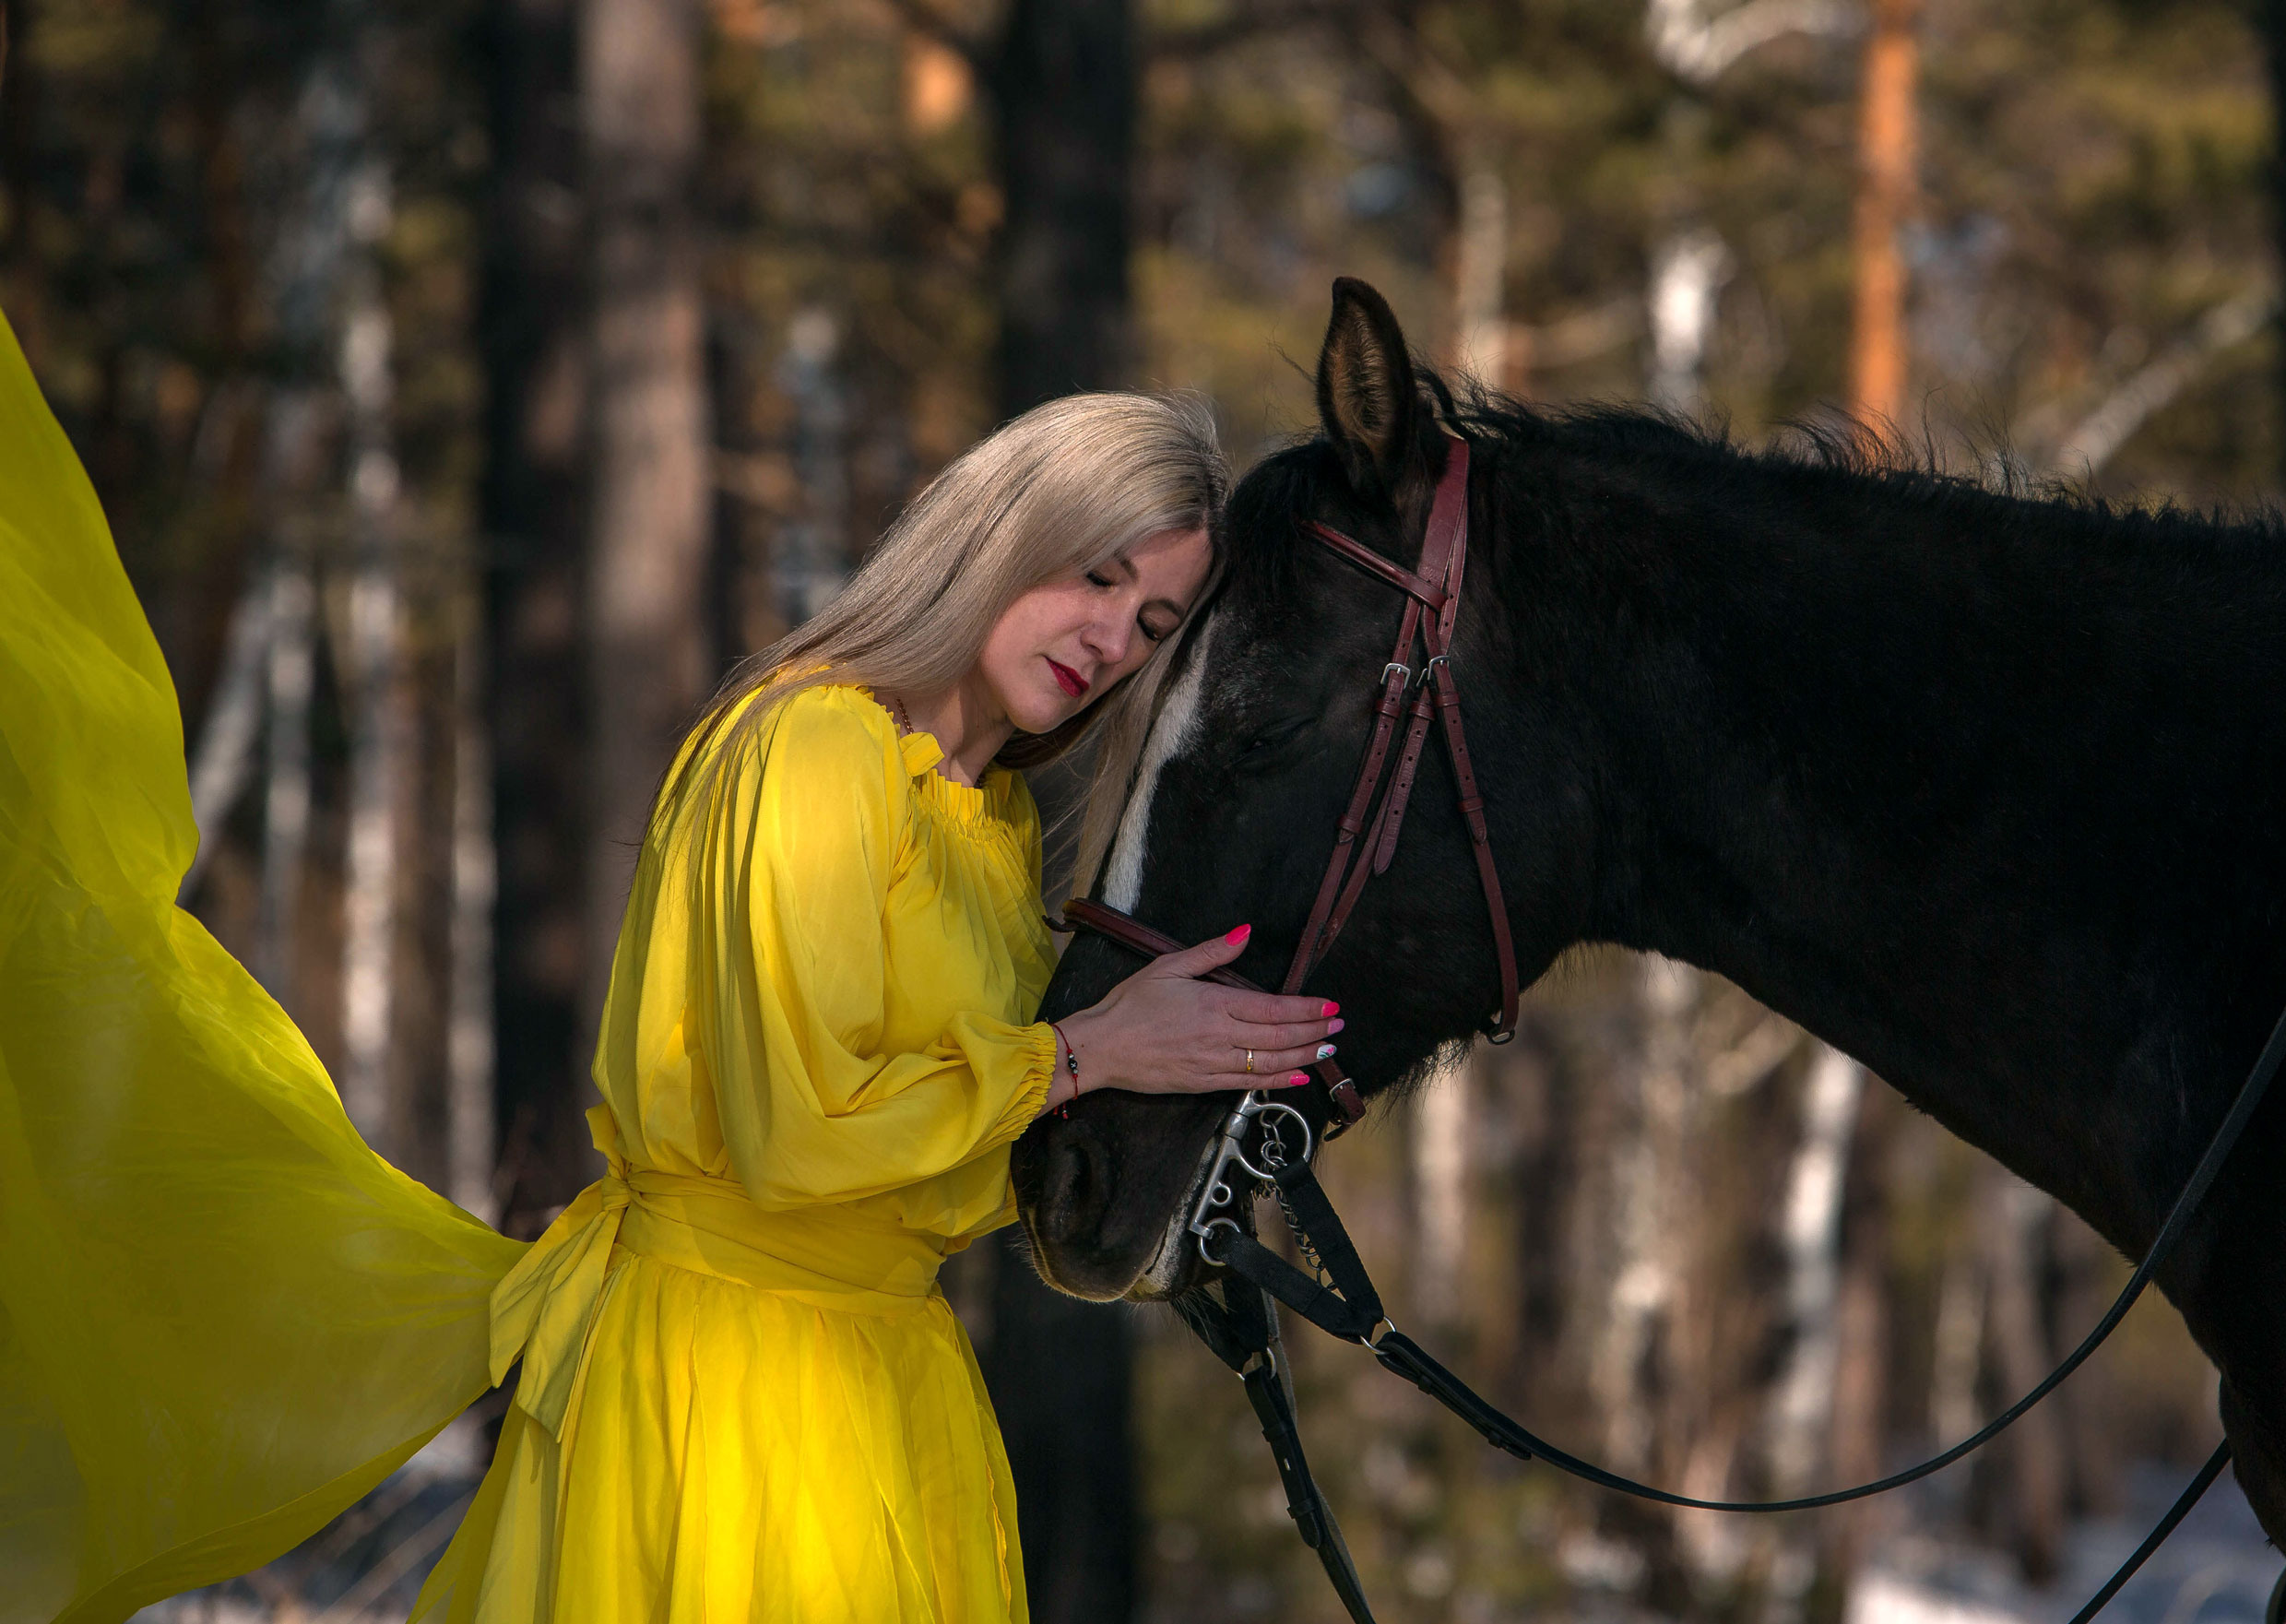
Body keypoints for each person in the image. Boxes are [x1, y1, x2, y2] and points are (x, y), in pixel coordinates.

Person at [0, 313, 1343, 1624]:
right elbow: (797, 1129)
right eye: (1097, 576)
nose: (1113, 640)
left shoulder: (991, 829)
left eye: (1158, 622)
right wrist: (1087, 1052)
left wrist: (1184, 1092)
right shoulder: (815, 745)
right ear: (1003, 535)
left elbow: (947, 1167)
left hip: (890, 1387)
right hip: (724, 1381)